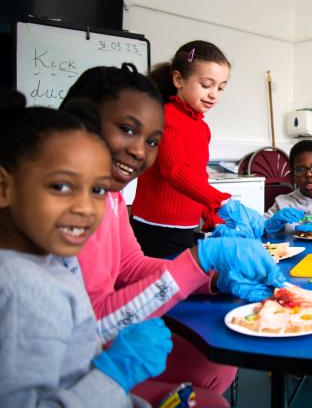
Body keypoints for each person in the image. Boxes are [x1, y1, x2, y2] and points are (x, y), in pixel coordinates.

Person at [62, 64, 285, 406]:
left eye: (152, 140)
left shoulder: (113, 197)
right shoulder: (63, 210)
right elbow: (88, 320)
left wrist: (212, 280)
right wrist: (198, 259)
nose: (139, 151)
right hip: (72, 364)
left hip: (100, 341)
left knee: (217, 364)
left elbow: (131, 265)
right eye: (126, 129)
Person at [0, 91, 172, 407]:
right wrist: (116, 374)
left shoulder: (52, 262)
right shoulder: (23, 289)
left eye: (97, 190)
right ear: (4, 188)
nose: (86, 208)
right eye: (61, 186)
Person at [131, 40, 245, 258]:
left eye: (220, 88)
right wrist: (220, 200)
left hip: (187, 228)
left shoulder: (202, 128)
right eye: (206, 85)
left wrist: (210, 212)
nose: (214, 94)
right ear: (178, 79)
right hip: (156, 229)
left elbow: (196, 178)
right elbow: (174, 171)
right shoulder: (165, 116)